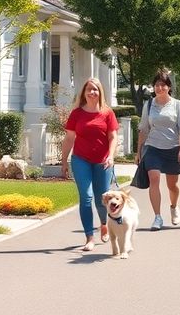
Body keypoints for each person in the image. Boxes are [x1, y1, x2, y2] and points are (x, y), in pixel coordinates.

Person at [60, 77, 119, 252]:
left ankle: (103, 224)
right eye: (89, 89)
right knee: (86, 198)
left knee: (102, 199)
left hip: (103, 161)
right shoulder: (77, 114)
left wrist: (111, 156)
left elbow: (113, 137)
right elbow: (69, 138)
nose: (92, 92)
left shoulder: (107, 113)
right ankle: (89, 237)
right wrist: (64, 160)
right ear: (84, 93)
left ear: (100, 92)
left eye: (95, 89)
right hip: (81, 159)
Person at [137, 69, 180, 231]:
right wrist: (138, 152)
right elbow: (143, 129)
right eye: (156, 85)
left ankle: (174, 206)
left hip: (172, 148)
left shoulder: (177, 105)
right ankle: (157, 217)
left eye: (163, 85)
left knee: (172, 185)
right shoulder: (149, 104)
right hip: (152, 148)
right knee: (154, 179)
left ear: (168, 87)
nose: (159, 88)